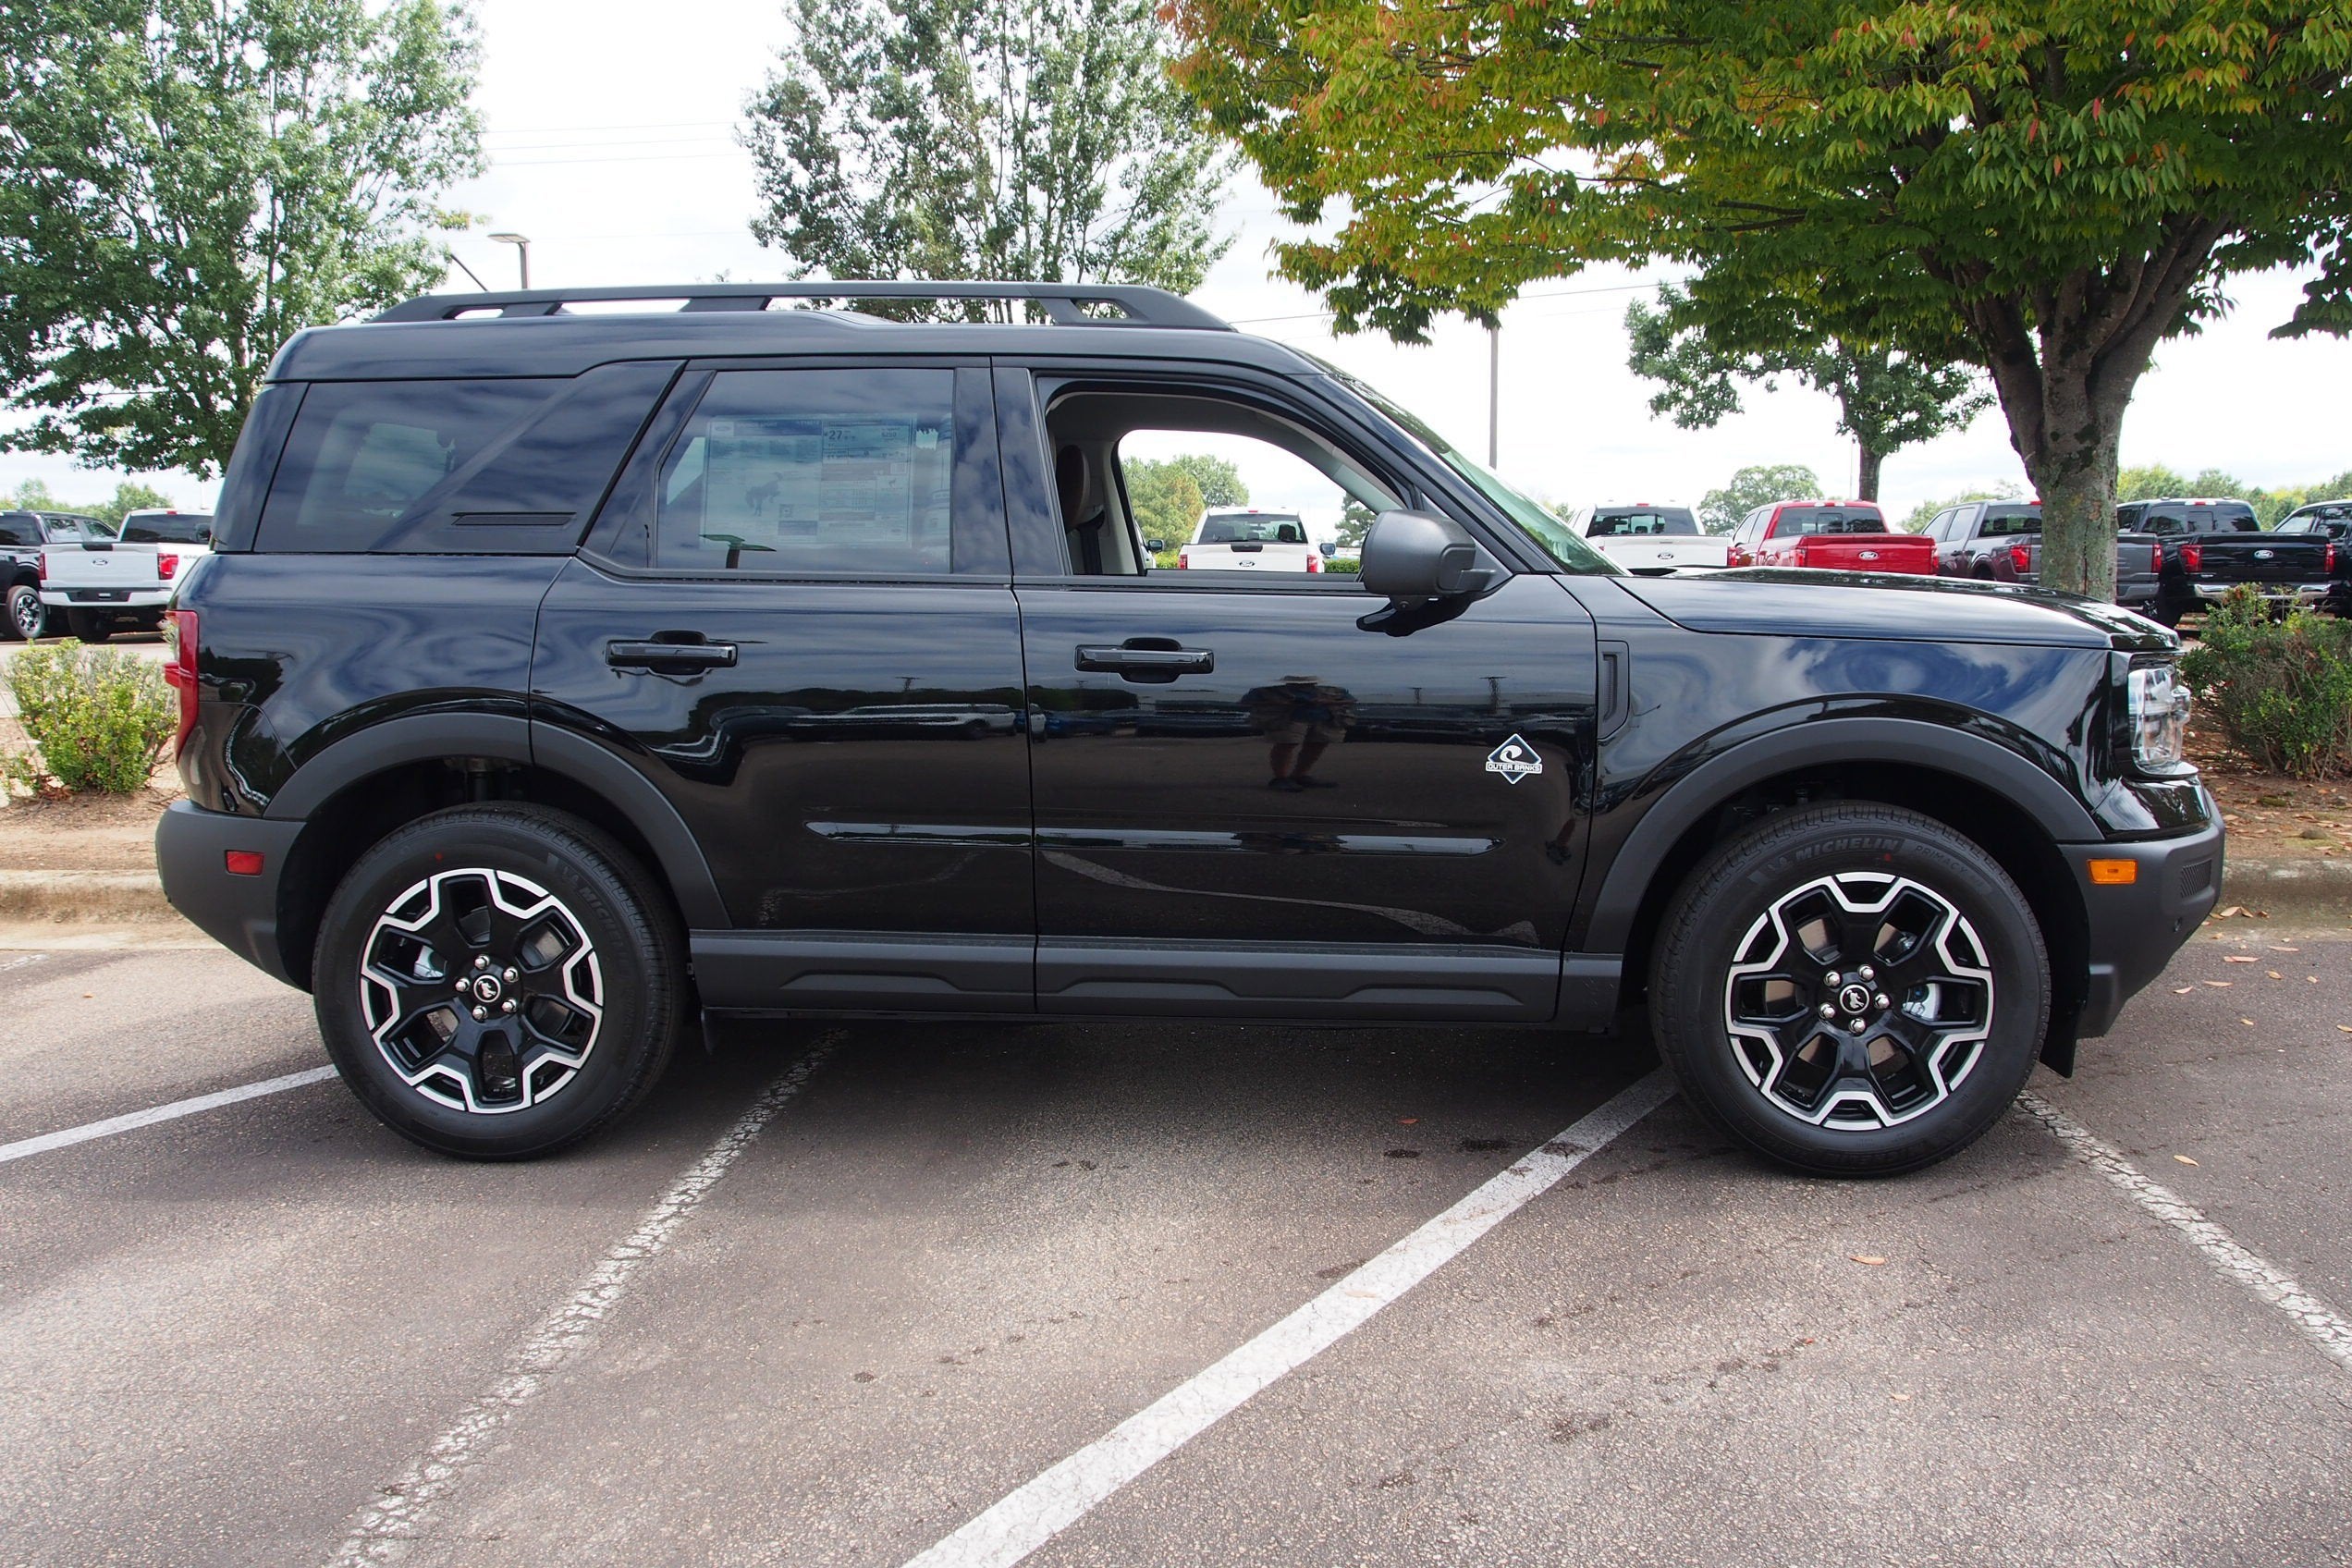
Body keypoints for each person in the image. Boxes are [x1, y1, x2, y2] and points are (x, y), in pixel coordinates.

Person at [1243, 674, 1356, 790]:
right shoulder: (1271, 691)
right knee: (1286, 745)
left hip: (1323, 719)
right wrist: (1283, 703)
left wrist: (1326, 701)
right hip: (1289, 719)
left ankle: (1299, 775)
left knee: (1317, 745)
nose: (1305, 685)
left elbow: (1351, 700)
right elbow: (1247, 701)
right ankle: (1281, 778)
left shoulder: (1331, 691)